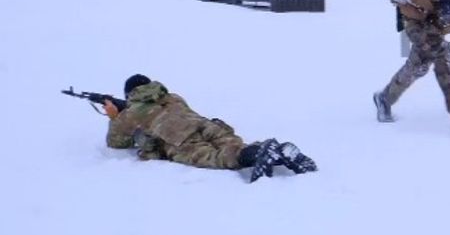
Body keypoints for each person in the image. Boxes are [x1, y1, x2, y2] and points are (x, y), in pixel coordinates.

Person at [104, 74, 317, 182]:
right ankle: (280, 151)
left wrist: (115, 116)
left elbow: (117, 142)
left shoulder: (131, 113)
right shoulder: (171, 96)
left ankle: (263, 151)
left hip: (179, 139)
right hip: (207, 125)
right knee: (236, 146)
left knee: (220, 159)